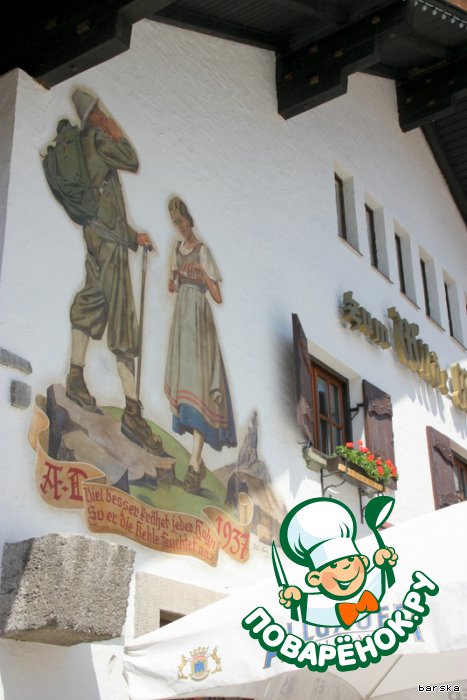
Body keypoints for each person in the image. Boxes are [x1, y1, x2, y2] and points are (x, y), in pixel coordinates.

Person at [65, 88, 163, 456]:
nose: (103, 112)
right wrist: (113, 128)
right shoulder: (98, 138)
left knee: (90, 300)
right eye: (99, 109)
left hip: (96, 236)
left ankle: (75, 376)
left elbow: (103, 204)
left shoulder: (78, 147)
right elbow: (132, 159)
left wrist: (132, 236)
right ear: (93, 113)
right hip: (110, 244)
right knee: (123, 320)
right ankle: (133, 412)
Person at [164, 197, 236, 494]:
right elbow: (171, 285)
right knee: (186, 384)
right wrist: (175, 280)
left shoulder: (202, 250)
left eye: (181, 221)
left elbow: (217, 296)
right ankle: (195, 462)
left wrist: (201, 272)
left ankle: (194, 463)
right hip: (183, 319)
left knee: (201, 387)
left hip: (200, 318)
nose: (179, 227)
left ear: (188, 219)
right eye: (175, 223)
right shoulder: (176, 250)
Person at [278, 498, 398, 628]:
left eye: (351, 560)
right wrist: (295, 601)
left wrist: (385, 563)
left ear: (364, 562)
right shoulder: (317, 606)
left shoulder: (374, 582)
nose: (346, 567)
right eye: (333, 565)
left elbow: (391, 583)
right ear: (315, 579)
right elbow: (298, 616)